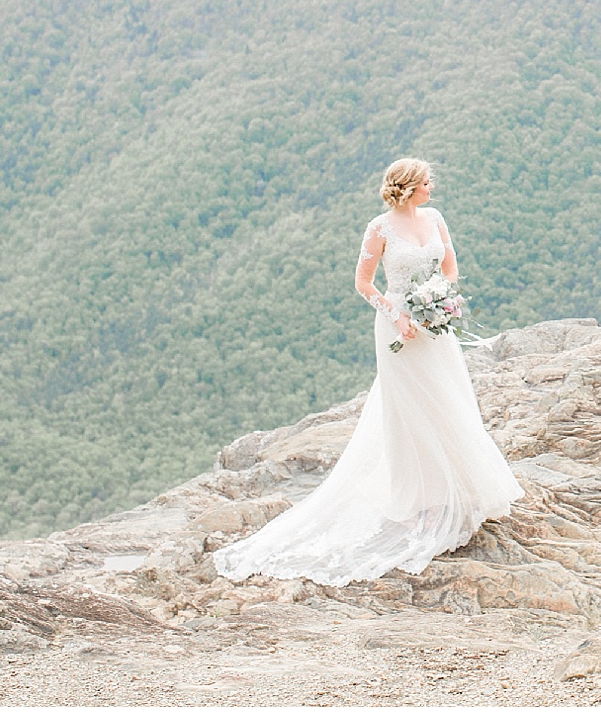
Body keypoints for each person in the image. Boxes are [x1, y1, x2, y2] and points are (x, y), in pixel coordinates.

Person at [213, 158, 523, 586]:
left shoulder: (435, 218)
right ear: (409, 187)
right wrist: (397, 314)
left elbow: (449, 267)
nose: (433, 187)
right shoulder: (379, 229)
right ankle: (414, 504)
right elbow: (364, 282)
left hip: (434, 327)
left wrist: (441, 299)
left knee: (448, 402)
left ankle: (451, 490)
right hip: (398, 327)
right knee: (407, 411)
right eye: (427, 182)